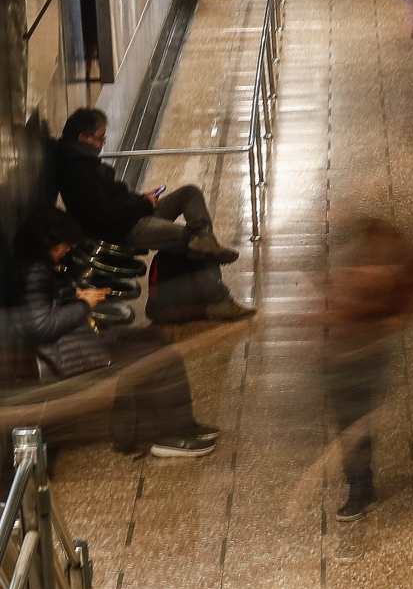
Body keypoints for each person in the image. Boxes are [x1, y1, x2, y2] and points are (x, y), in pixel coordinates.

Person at [8, 209, 220, 458]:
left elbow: (41, 309)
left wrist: (75, 296)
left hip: (73, 342)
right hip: (67, 354)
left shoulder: (34, 266)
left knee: (153, 339)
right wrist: (84, 304)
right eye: (63, 244)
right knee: (159, 359)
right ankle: (171, 436)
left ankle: (171, 426)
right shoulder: (34, 272)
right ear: (47, 243)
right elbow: (41, 325)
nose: (67, 249)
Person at [52, 109, 255, 321]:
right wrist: (143, 205)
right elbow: (104, 213)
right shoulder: (77, 170)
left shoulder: (82, 160)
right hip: (124, 228)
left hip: (132, 214)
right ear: (82, 137)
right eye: (100, 138)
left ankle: (203, 236)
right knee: (190, 240)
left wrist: (142, 200)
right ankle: (218, 300)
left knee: (189, 194)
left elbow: (112, 200)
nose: (102, 143)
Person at [321, 216, 413, 523]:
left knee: (359, 417)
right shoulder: (350, 267)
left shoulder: (403, 266)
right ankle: (360, 487)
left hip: (371, 349)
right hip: (349, 353)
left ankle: (364, 486)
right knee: (353, 419)